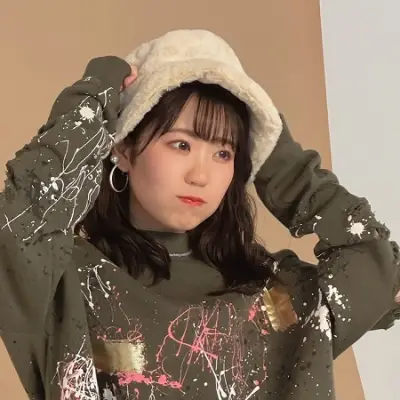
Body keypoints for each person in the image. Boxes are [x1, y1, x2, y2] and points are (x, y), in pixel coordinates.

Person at [0, 29, 399, 400]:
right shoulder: (68, 284)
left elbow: (375, 266)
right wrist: (90, 104)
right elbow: (17, 227)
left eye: (224, 153)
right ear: (123, 149)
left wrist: (281, 160)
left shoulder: (273, 296)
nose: (201, 175)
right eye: (181, 145)